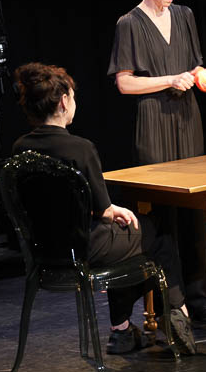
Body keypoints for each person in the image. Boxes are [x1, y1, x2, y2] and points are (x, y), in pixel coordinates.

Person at [10, 62, 196, 355]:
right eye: (73, 97)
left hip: (43, 251)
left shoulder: (20, 149)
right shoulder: (80, 148)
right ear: (63, 101)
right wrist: (113, 210)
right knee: (154, 233)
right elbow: (102, 209)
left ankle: (123, 332)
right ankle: (175, 313)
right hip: (84, 248)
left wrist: (109, 211)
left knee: (127, 239)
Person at [107, 0, 206, 324]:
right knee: (161, 214)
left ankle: (198, 297)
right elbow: (124, 83)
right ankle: (171, 300)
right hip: (154, 122)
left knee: (193, 210)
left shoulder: (184, 15)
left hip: (187, 120)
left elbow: (194, 65)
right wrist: (170, 79)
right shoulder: (129, 23)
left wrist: (200, 76)